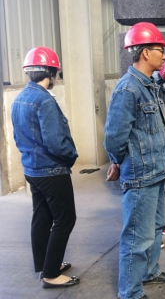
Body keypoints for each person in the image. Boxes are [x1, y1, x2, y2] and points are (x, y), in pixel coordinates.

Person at [104, 22, 165, 299]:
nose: (164, 55)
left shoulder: (151, 84)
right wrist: (117, 162)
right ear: (145, 53)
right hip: (140, 173)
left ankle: (149, 272)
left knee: (156, 228)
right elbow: (114, 136)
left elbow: (148, 120)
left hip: (157, 169)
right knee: (137, 236)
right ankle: (130, 292)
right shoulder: (128, 89)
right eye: (160, 50)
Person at [11, 47, 80, 289]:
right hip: (52, 171)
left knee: (41, 217)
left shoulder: (19, 98)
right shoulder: (44, 100)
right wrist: (71, 156)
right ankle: (51, 275)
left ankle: (45, 265)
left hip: (31, 170)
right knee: (65, 219)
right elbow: (55, 143)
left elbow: (18, 137)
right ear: (50, 73)